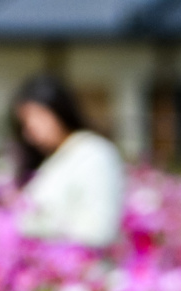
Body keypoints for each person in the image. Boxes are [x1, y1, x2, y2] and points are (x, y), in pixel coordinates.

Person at [11, 74, 125, 248]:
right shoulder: (57, 157)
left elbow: (98, 230)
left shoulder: (94, 153)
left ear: (58, 110)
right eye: (25, 123)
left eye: (37, 116)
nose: (31, 129)